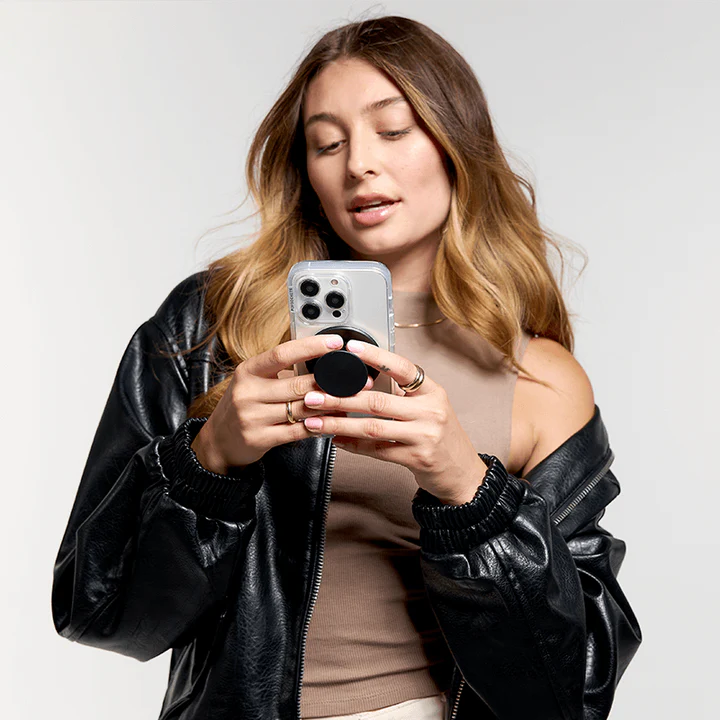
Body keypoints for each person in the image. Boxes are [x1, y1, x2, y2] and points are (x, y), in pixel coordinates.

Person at [51, 15, 642, 720]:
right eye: (327, 143)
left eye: (393, 131)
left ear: (457, 144)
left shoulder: (541, 381)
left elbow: (568, 690)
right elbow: (100, 611)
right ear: (307, 172)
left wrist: (466, 487)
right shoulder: (215, 327)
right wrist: (208, 461)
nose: (359, 162)